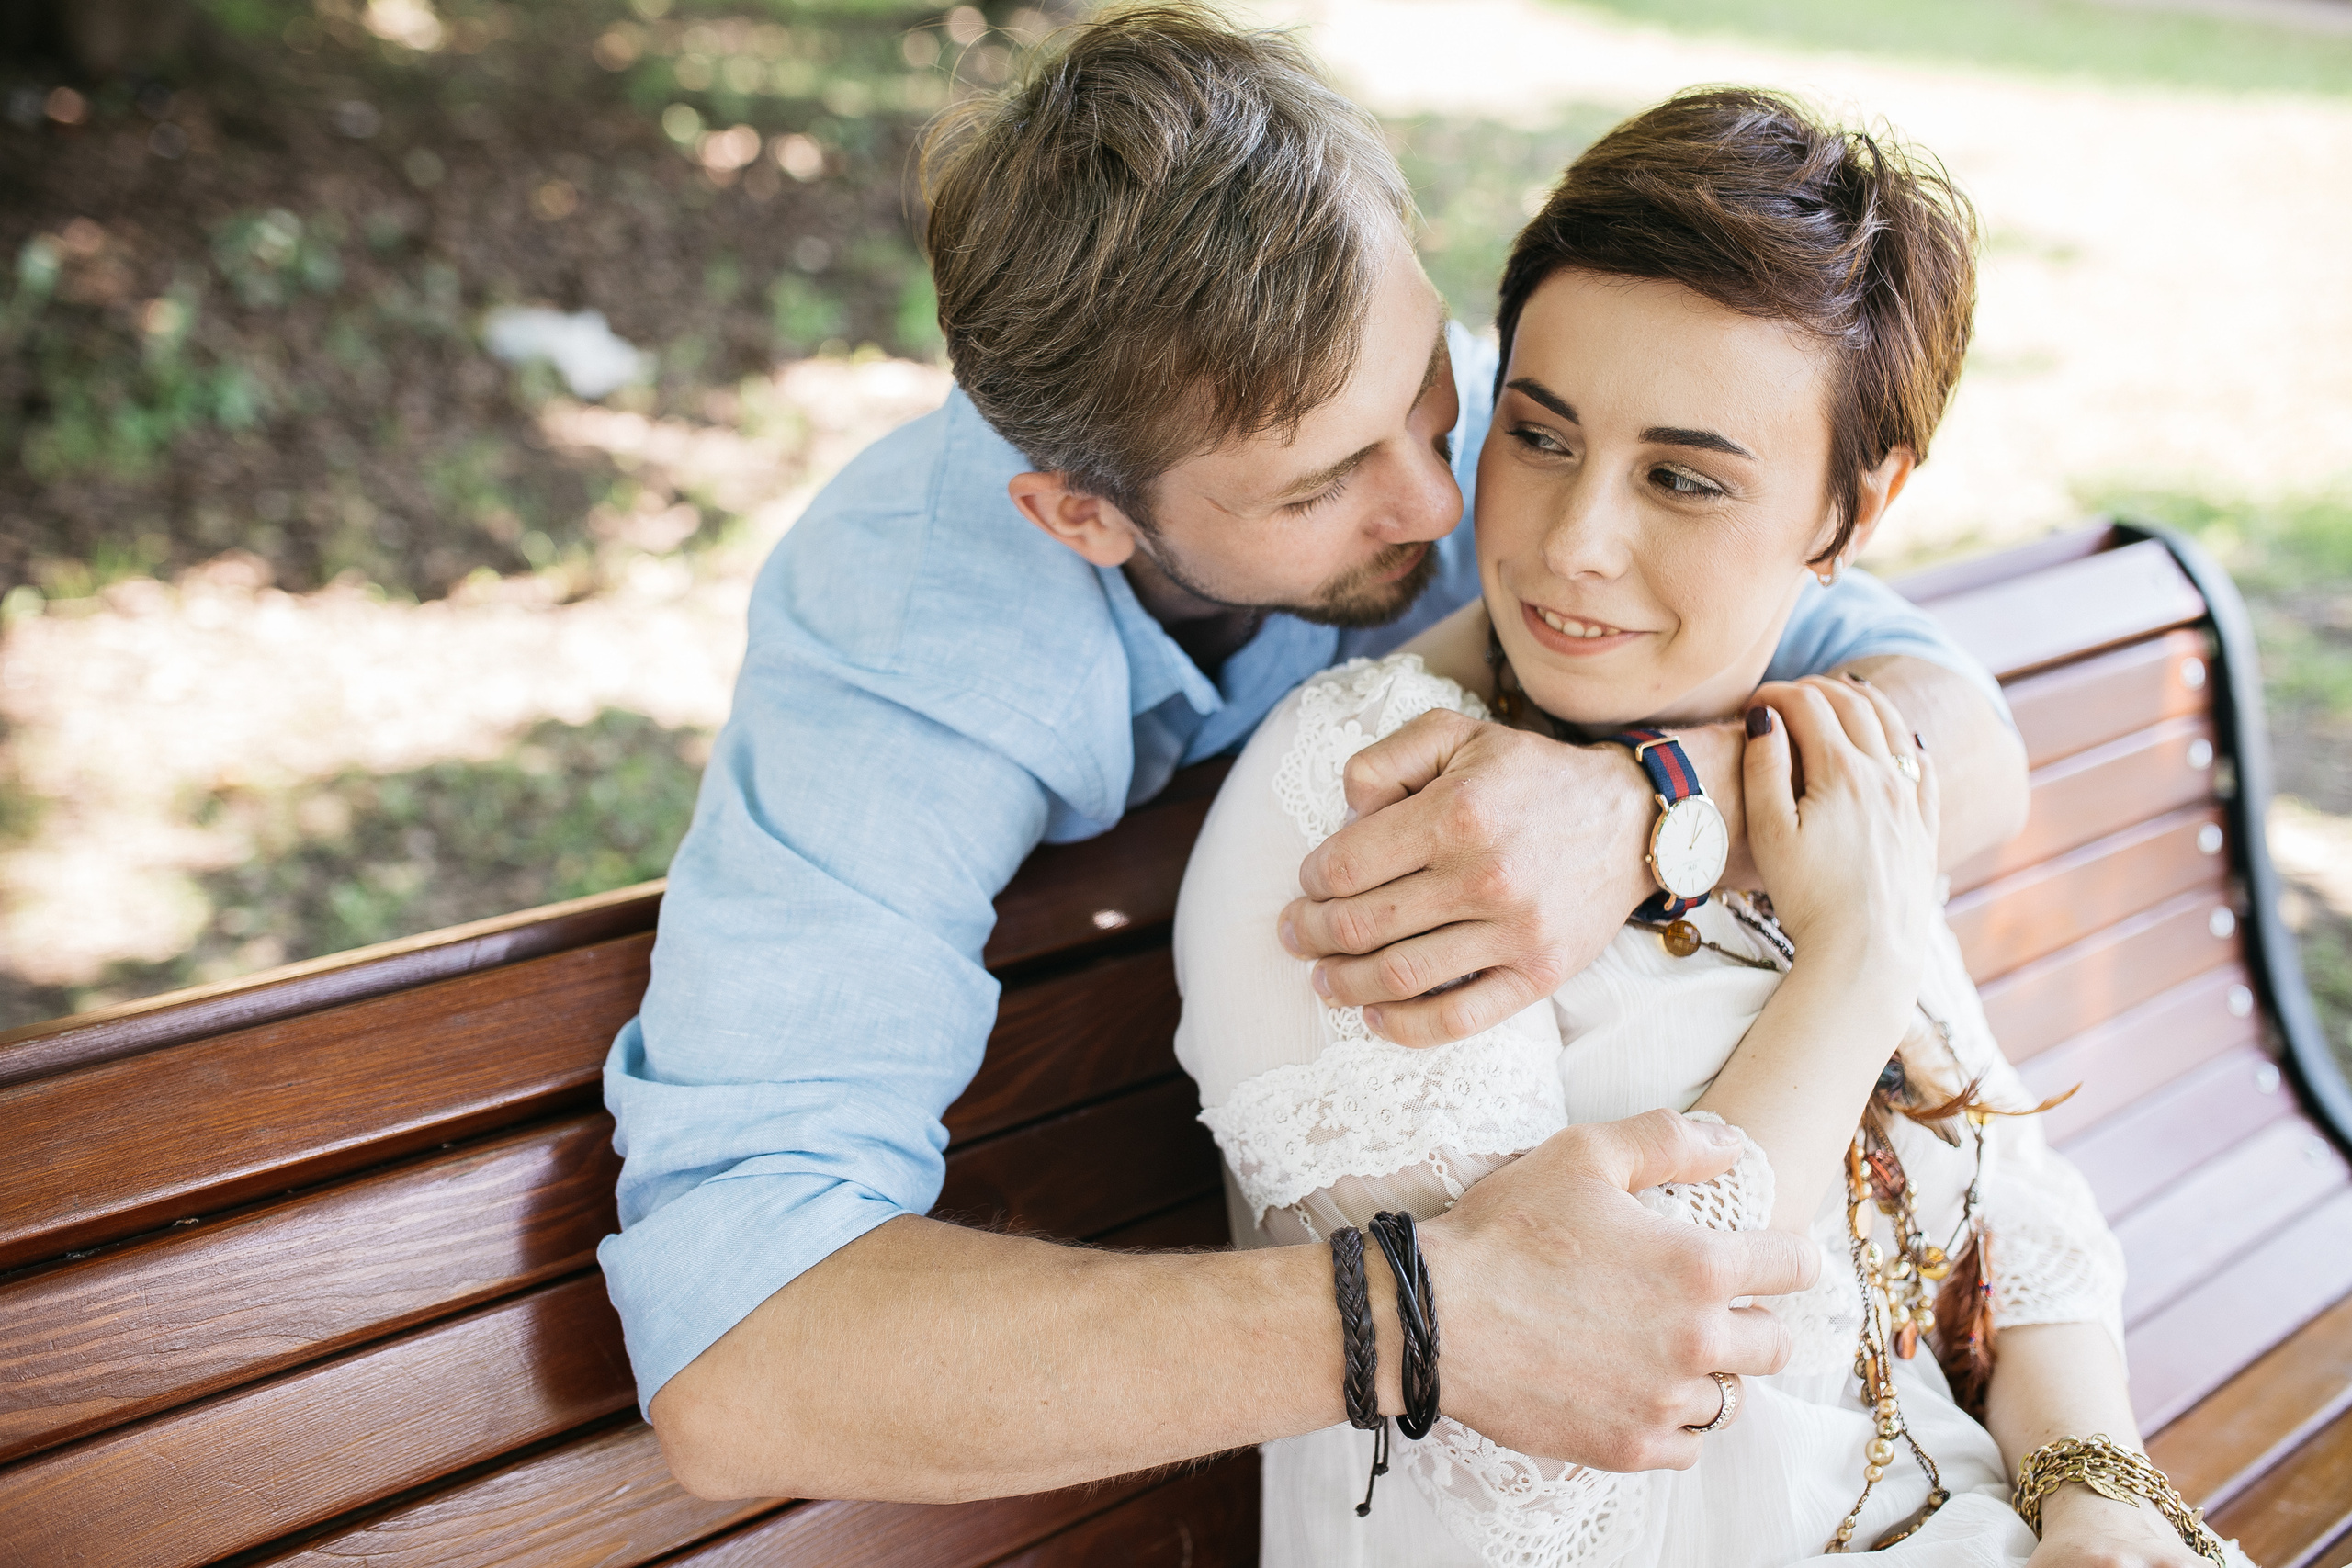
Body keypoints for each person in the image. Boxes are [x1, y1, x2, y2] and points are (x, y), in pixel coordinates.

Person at [606, 6, 2029, 1504]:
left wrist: (1649, 807)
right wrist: (1426, 1315)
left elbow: (1958, 729)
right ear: (1084, 519)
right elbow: (742, 1361)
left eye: (1432, 396)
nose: (1442, 511)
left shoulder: (1513, 438)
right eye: (1324, 482)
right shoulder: (911, 641)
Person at [1172, 88, 2245, 1568]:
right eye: (1539, 437)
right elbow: (1518, 1478)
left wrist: (2099, 1490)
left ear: (1851, 512)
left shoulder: (1808, 741)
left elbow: (2022, 1214)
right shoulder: (1359, 801)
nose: (1574, 542)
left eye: (1682, 478)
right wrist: (1854, 962)